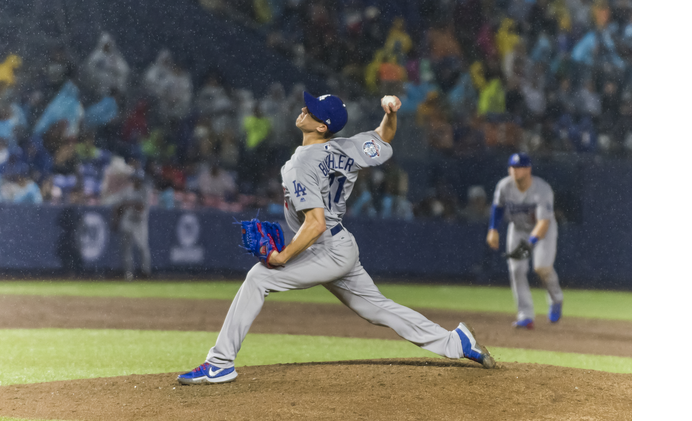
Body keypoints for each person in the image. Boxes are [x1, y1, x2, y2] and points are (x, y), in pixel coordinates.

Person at [177, 92, 495, 385]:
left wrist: (282, 257)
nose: (304, 109)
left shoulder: (301, 164)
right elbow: (384, 136)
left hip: (325, 247)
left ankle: (220, 363)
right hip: (338, 245)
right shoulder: (348, 147)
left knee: (259, 278)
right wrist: (390, 113)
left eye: (311, 110)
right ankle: (456, 341)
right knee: (378, 309)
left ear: (321, 125)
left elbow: (314, 224)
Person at [486, 153, 563, 329]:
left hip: (543, 230)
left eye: (519, 167)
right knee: (516, 269)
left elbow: (543, 222)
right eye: (512, 167)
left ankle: (556, 298)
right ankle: (525, 315)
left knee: (542, 267)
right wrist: (493, 230)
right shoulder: (504, 186)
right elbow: (497, 208)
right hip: (518, 229)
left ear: (528, 169)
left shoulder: (542, 189)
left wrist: (530, 243)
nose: (515, 171)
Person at [111, 170, 152, 281]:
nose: (137, 181)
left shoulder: (145, 191)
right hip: (127, 221)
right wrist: (116, 221)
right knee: (126, 249)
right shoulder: (127, 191)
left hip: (139, 222)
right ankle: (128, 273)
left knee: (142, 247)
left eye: (139, 179)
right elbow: (117, 207)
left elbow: (140, 206)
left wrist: (127, 204)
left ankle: (145, 272)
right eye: (135, 179)